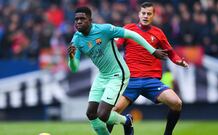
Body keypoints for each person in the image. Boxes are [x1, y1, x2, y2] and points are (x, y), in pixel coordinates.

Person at [67, 7, 167, 135]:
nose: (78, 22)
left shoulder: (105, 30)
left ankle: (126, 120)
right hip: (102, 75)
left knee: (103, 115)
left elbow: (132, 34)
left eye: (82, 19)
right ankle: (127, 120)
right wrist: (71, 58)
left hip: (118, 74)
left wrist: (152, 50)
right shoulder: (76, 39)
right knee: (91, 114)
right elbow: (74, 68)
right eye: (76, 19)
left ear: (90, 20)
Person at [107, 2, 188, 135]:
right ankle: (126, 122)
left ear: (153, 15)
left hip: (151, 81)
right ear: (139, 14)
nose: (145, 16)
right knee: (111, 113)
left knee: (177, 103)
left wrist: (178, 61)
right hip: (130, 80)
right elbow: (116, 44)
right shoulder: (128, 29)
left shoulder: (158, 33)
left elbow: (170, 52)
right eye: (143, 13)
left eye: (149, 13)